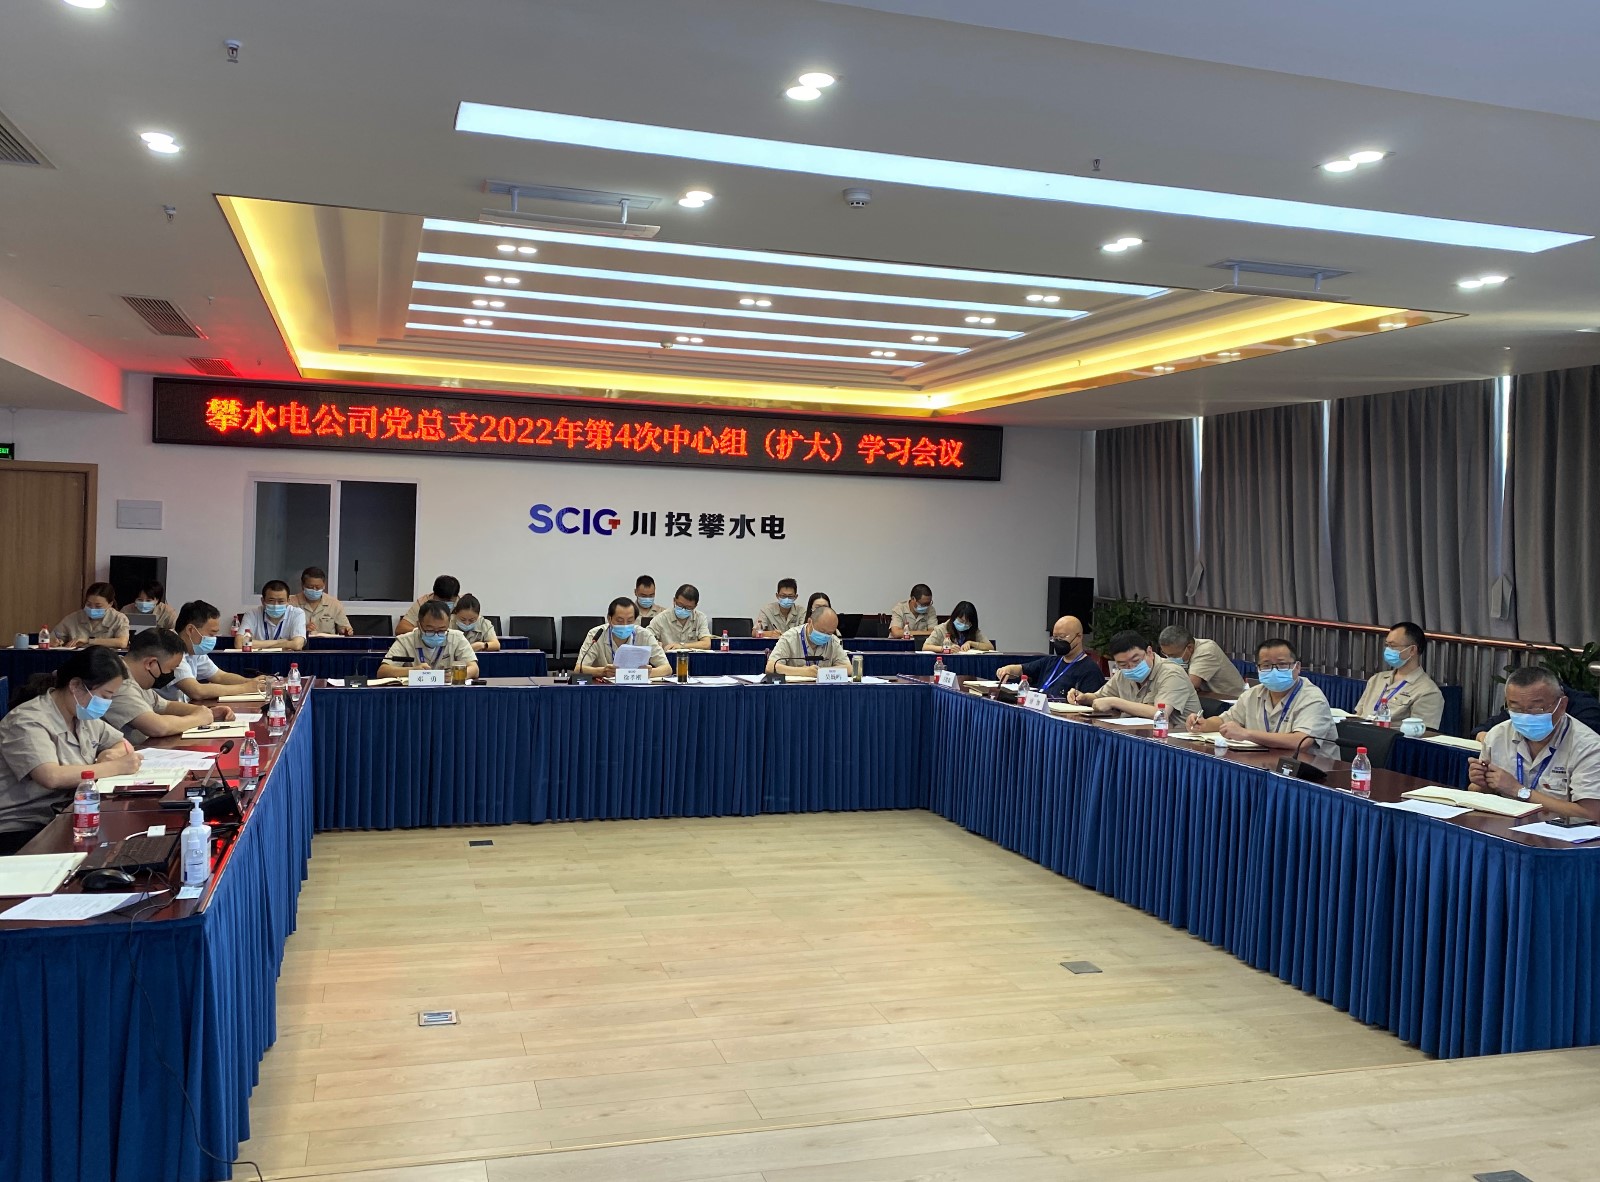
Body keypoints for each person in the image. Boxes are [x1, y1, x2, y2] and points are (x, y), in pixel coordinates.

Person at [0, 648, 142, 854]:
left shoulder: (81, 715)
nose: (107, 703)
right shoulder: (27, 720)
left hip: (67, 814)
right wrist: (115, 767)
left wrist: (110, 754)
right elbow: (51, 776)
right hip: (22, 828)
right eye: (105, 696)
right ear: (75, 685)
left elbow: (122, 743)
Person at [1469, 666, 1600, 821]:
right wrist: (1482, 784)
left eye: (1536, 709)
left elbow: (1591, 814)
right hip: (1505, 828)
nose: (1525, 716)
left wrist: (1519, 791)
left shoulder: (1589, 747)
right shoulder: (1497, 735)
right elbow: (1476, 791)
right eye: (1516, 709)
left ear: (1562, 705)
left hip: (1558, 834)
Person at [1185, 638, 1339, 758]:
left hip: (1312, 773)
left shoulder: (1312, 698)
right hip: (1266, 762)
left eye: (1282, 664)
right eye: (1266, 665)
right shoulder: (1253, 694)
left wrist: (1247, 734)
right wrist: (1204, 724)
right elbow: (1225, 721)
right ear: (1258, 669)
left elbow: (1301, 741)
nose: (1274, 670)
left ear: (1297, 667)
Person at [102, 629, 225, 744]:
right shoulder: (118, 682)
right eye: (171, 669)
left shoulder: (136, 677)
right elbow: (158, 727)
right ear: (151, 663)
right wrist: (198, 719)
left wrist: (204, 711)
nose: (172, 674)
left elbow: (165, 705)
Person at [1069, 630, 1200, 722]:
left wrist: (1115, 702)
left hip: (1175, 742)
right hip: (1137, 736)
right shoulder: (1122, 674)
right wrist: (1083, 697)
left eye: (1136, 661)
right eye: (1123, 664)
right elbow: (1100, 698)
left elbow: (1160, 713)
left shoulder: (1171, 673)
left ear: (1149, 652)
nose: (1131, 667)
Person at [166, 600, 269, 702]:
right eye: (211, 634)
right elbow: (197, 691)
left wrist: (250, 682)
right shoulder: (169, 647)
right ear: (190, 630)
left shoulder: (193, 647)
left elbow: (220, 676)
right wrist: (246, 688)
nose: (213, 639)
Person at [1352, 622, 1445, 730]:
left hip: (1390, 738)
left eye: (1393, 646)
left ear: (1412, 650)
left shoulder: (1428, 691)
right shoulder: (1376, 679)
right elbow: (1358, 715)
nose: (1388, 650)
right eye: (1387, 645)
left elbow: (1421, 734)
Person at [997, 616, 1105, 699]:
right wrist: (1008, 670)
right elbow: (1022, 669)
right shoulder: (1051, 661)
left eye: (1062, 637)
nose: (1058, 642)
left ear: (1079, 637)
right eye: (1055, 638)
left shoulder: (1090, 670)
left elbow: (1089, 704)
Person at [377, 599, 479, 679]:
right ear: (419, 625)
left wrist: (456, 676)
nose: (436, 634)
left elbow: (474, 669)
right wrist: (412, 671)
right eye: (430, 630)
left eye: (441, 630)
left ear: (448, 625)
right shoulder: (405, 641)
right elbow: (383, 671)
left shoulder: (457, 638)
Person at [573, 597, 671, 679]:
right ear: (609, 619)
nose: (625, 625)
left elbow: (667, 669)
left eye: (630, 621)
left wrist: (649, 673)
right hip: (605, 689)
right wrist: (602, 671)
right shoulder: (596, 634)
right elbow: (578, 669)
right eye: (619, 621)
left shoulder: (644, 635)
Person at [1158, 625, 1246, 698]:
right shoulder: (1184, 650)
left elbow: (1191, 685)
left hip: (1231, 700)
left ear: (1189, 648)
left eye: (1173, 655)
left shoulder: (1206, 650)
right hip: (1208, 696)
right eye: (1166, 654)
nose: (1169, 658)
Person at [767, 605, 851, 677]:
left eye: (829, 633)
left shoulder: (833, 640)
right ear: (810, 622)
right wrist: (803, 671)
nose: (825, 636)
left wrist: (820, 672)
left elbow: (849, 669)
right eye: (821, 631)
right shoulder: (789, 637)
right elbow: (770, 667)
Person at [52, 582, 129, 649]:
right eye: (88, 604)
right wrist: (55, 641)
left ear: (110, 604)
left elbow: (122, 642)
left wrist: (89, 641)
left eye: (98, 606)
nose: (92, 608)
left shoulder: (118, 618)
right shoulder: (73, 618)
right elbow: (53, 637)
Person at [236, 580, 308, 651]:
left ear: (288, 601)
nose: (276, 605)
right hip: (258, 657)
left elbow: (297, 645)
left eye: (281, 601)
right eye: (271, 600)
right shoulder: (252, 614)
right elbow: (239, 643)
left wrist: (256, 644)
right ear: (263, 601)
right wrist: (280, 642)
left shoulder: (297, 614)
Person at [291, 566, 353, 638]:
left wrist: (346, 631)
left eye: (318, 587)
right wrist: (301, 629)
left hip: (327, 643)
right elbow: (283, 630)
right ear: (302, 585)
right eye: (310, 587)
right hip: (300, 643)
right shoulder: (291, 603)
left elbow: (344, 628)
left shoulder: (334, 604)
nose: (314, 590)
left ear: (324, 585)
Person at [649, 583, 712, 651]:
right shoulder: (661, 618)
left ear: (695, 606)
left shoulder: (700, 618)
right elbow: (645, 638)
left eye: (688, 607)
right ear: (674, 601)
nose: (683, 609)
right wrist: (655, 644)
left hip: (692, 657)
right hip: (667, 656)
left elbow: (706, 644)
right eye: (680, 605)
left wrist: (682, 646)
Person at [397, 575, 461, 635]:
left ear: (456, 596)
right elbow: (400, 629)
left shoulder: (463, 603)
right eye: (441, 600)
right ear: (434, 594)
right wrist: (426, 631)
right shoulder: (422, 603)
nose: (444, 604)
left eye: (449, 601)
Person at [922, 600, 994, 652]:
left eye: (967, 622)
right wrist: (945, 649)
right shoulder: (941, 628)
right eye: (961, 621)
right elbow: (925, 647)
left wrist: (971, 643)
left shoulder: (973, 629)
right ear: (954, 617)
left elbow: (990, 647)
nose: (964, 624)